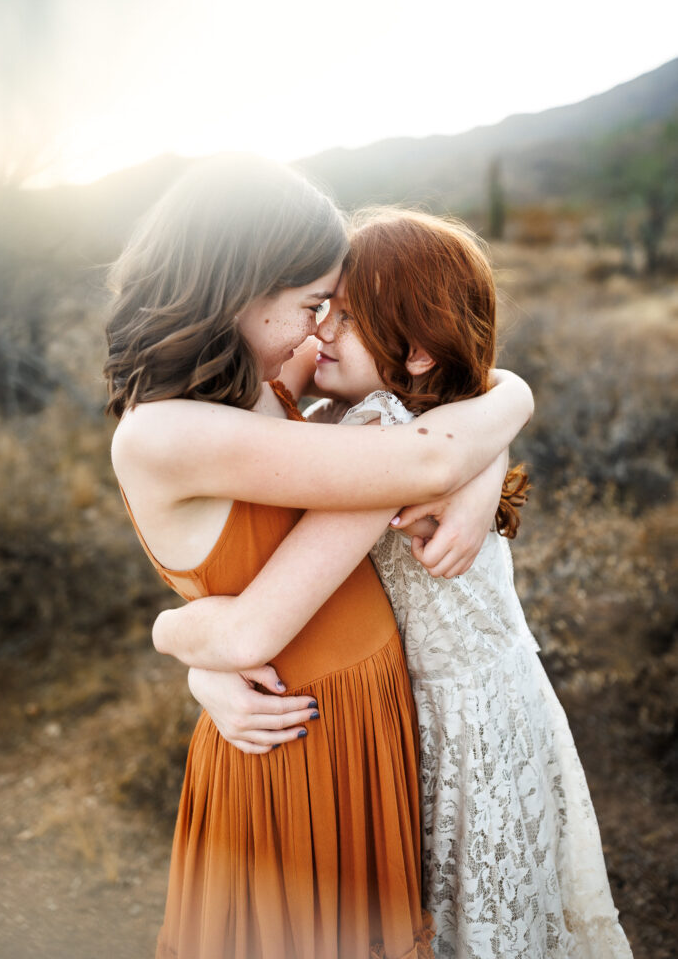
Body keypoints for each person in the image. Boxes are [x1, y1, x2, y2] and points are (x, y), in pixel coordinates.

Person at [154, 209, 633, 958]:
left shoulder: (379, 432)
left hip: (458, 725)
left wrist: (178, 640)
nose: (321, 335)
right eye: (321, 312)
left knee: (471, 918)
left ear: (411, 351)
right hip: (458, 707)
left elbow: (262, 609)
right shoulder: (401, 424)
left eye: (344, 318)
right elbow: (492, 394)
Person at [105, 158, 534, 959]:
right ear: (243, 288)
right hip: (298, 734)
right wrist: (180, 640)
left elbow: (436, 393)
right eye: (311, 305)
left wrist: (492, 431)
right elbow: (424, 449)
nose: (316, 332)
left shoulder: (264, 382)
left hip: (361, 709)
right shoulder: (166, 433)